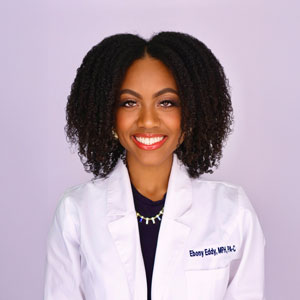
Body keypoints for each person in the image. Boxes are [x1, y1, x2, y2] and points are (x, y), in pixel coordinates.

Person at [43, 31, 266, 300]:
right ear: (108, 115)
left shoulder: (232, 212)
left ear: (192, 113)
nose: (148, 121)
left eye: (166, 103)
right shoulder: (75, 213)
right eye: (129, 103)